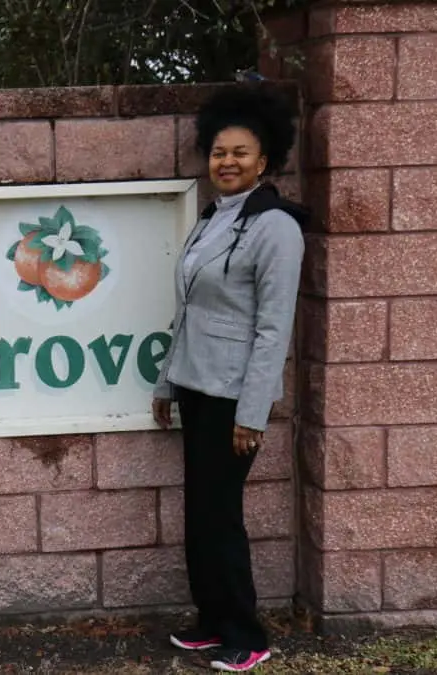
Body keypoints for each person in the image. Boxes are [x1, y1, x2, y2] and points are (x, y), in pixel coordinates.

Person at [151, 84, 307, 673]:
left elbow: (274, 327)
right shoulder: (212, 220)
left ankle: (247, 633)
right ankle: (213, 621)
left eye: (240, 153)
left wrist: (252, 413)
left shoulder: (275, 228)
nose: (228, 162)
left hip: (232, 397)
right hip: (196, 385)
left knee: (221, 517)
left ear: (264, 160)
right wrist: (168, 383)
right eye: (219, 153)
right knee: (202, 511)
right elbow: (188, 309)